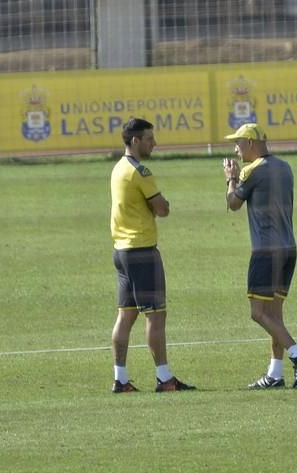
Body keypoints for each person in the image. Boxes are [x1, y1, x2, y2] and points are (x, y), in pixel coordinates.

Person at [222, 122, 297, 389]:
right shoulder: (285, 167)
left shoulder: (252, 171)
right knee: (275, 316)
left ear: (251, 143)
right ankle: (275, 374)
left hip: (265, 251)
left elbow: (233, 204)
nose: (236, 150)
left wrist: (231, 178)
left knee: (258, 313)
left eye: (238, 144)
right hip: (288, 249)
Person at [109, 118, 196, 393]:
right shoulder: (140, 171)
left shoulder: (118, 168)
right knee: (155, 316)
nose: (154, 143)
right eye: (149, 139)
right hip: (142, 252)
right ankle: (164, 377)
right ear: (135, 141)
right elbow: (162, 208)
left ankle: (120, 379)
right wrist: (165, 204)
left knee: (125, 317)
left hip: (121, 251)